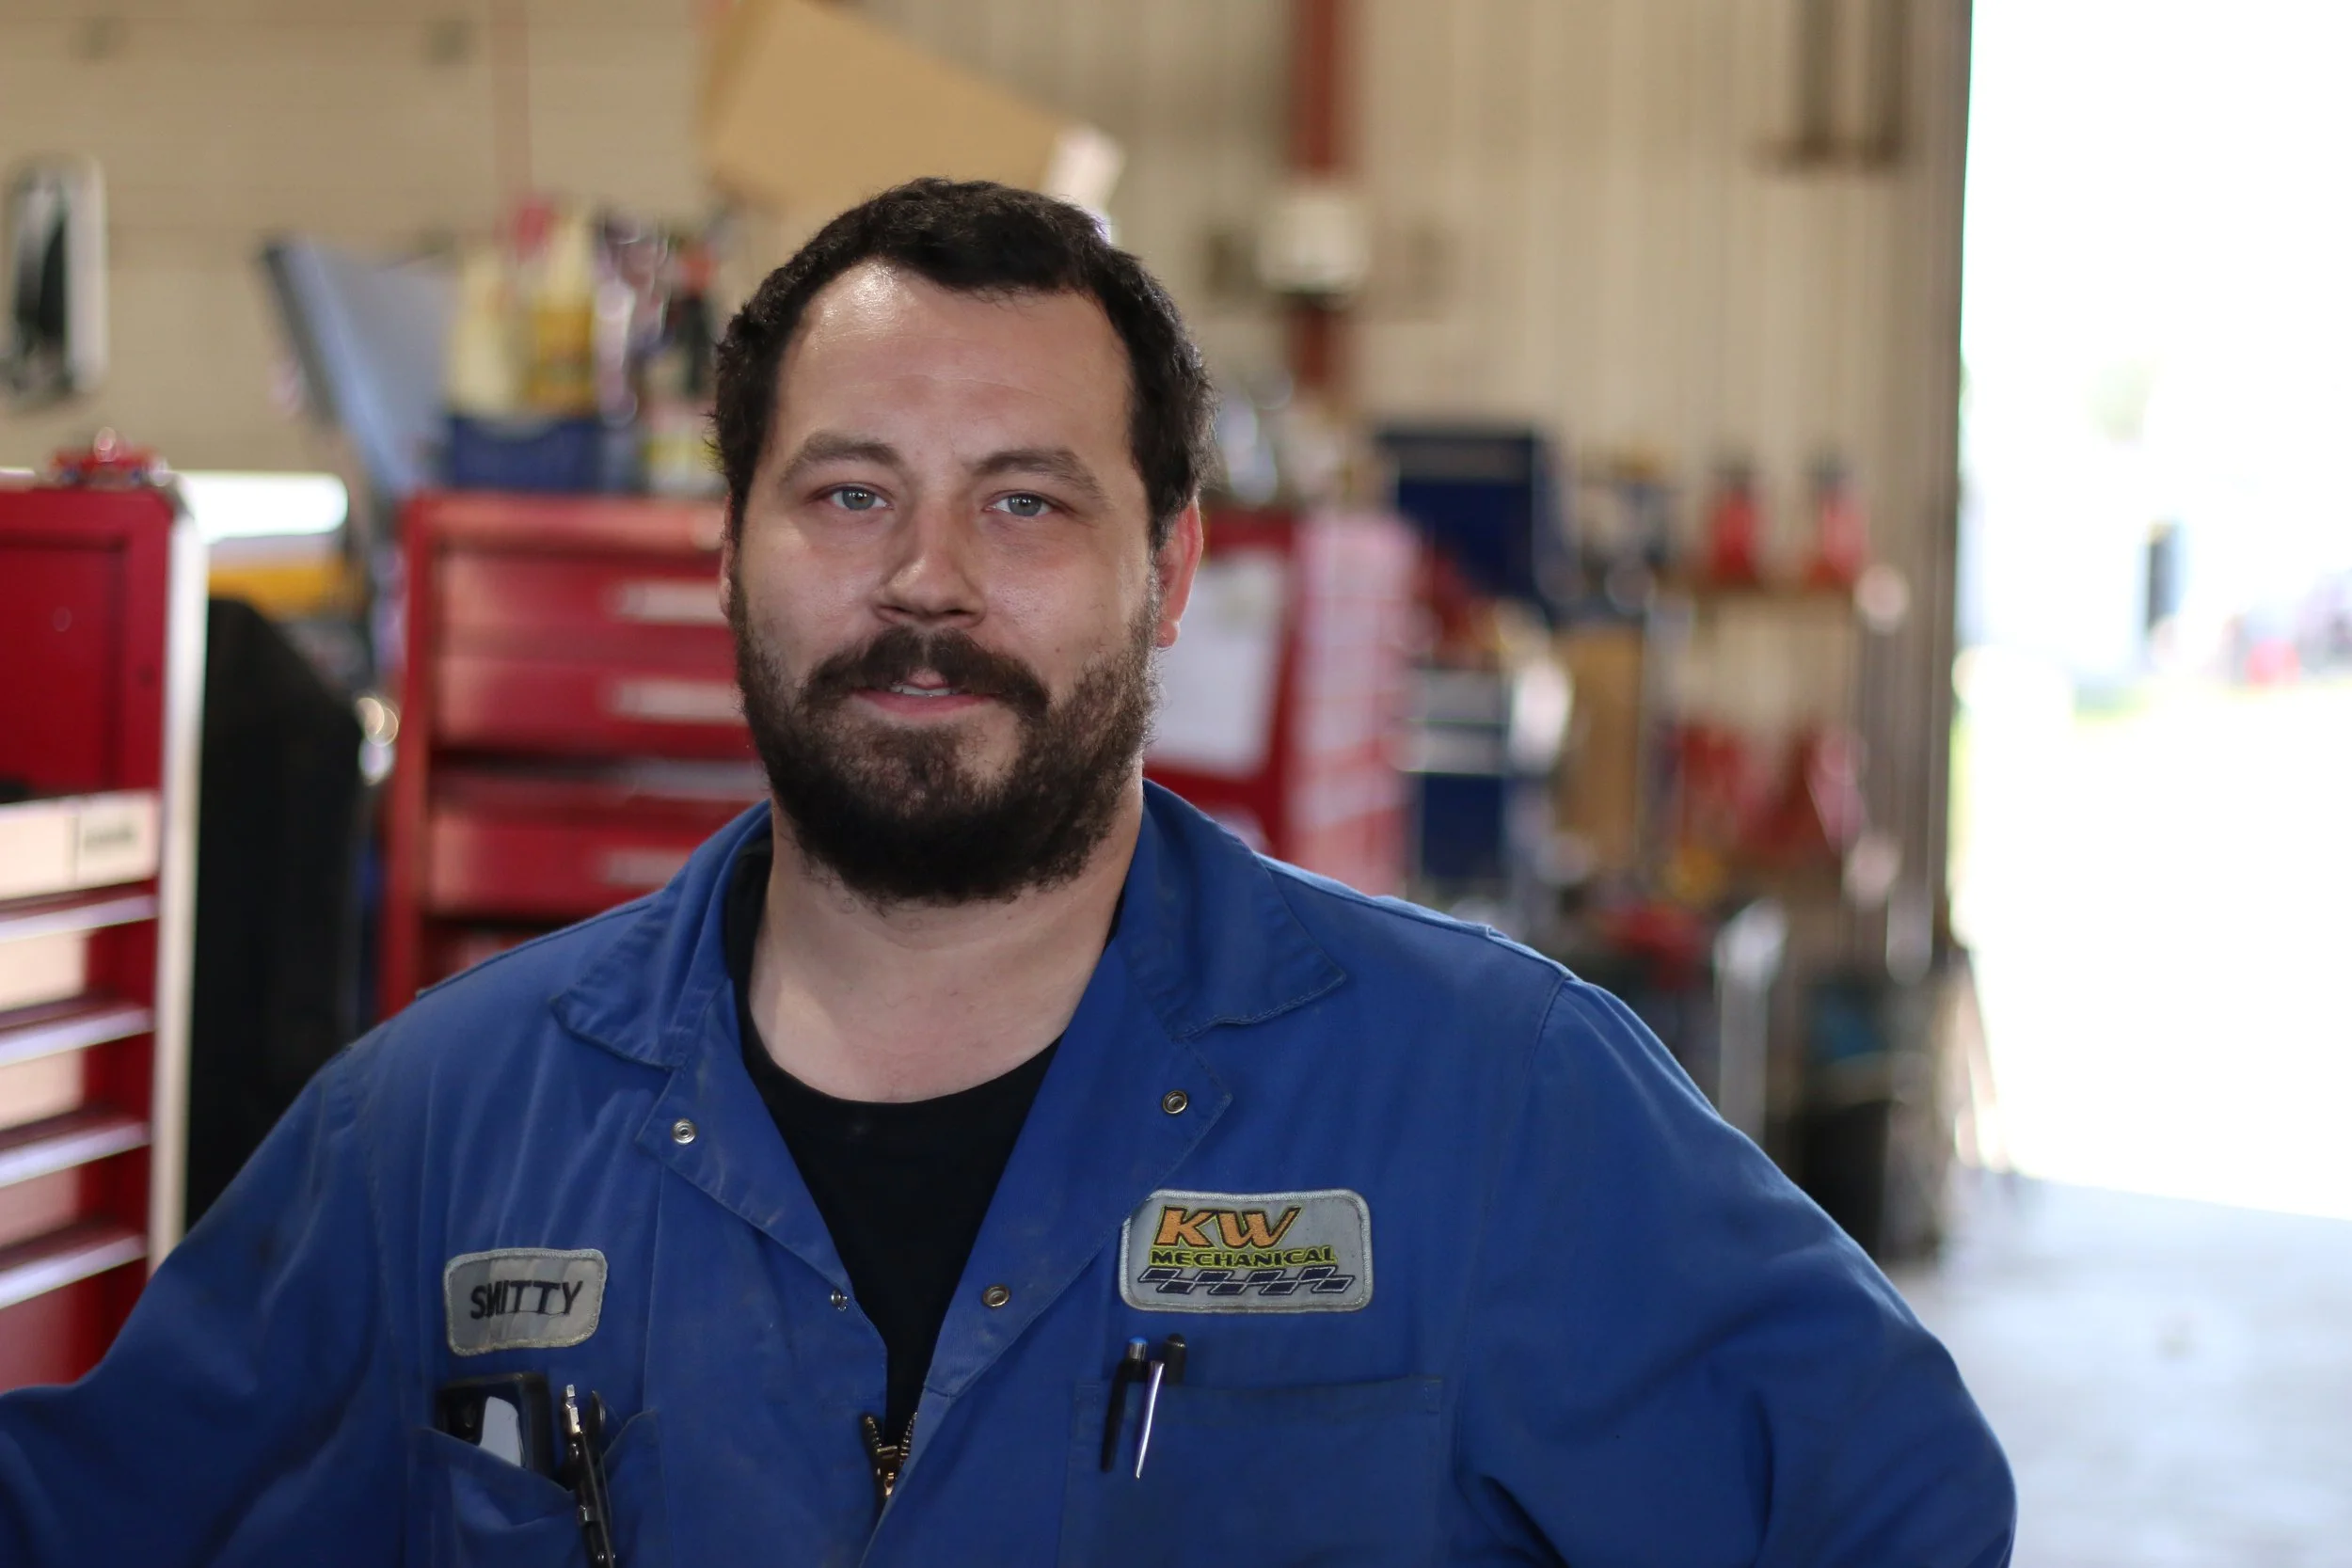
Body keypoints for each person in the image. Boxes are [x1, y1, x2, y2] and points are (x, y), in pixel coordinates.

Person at [0, 179, 2013, 1566]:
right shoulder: (440, 1129)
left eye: (1025, 501)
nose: (926, 580)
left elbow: (1885, 1503)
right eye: (848, 491)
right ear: (727, 558)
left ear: (1170, 575)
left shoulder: (1484, 1098)